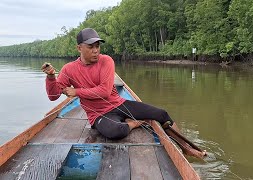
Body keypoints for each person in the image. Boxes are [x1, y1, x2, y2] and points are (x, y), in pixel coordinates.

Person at [41, 28, 206, 158]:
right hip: (98, 115)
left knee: (162, 114)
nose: (96, 51)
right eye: (90, 47)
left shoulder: (106, 61)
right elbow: (53, 95)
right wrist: (50, 78)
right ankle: (137, 122)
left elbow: (105, 91)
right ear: (79, 48)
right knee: (116, 131)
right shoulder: (69, 69)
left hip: (119, 103)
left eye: (98, 46)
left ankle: (186, 148)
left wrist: (76, 91)